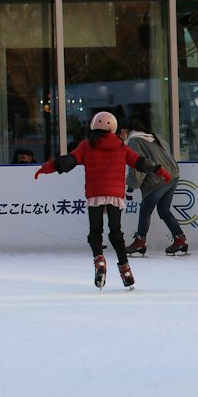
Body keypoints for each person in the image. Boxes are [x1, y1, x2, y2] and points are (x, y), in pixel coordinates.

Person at [34, 111, 157, 288]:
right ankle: (125, 270)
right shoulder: (121, 146)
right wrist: (161, 171)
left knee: (95, 232)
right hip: (115, 196)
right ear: (113, 127)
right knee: (116, 233)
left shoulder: (86, 146)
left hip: (95, 195)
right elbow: (140, 162)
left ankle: (99, 261)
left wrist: (44, 169)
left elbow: (68, 161)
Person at [120, 124, 187, 256]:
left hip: (158, 179)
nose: (121, 138)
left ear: (124, 131)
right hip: (173, 176)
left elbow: (137, 167)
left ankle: (140, 242)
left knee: (145, 210)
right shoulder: (152, 137)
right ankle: (180, 239)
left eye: (120, 135)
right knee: (164, 210)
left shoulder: (134, 141)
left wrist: (130, 188)